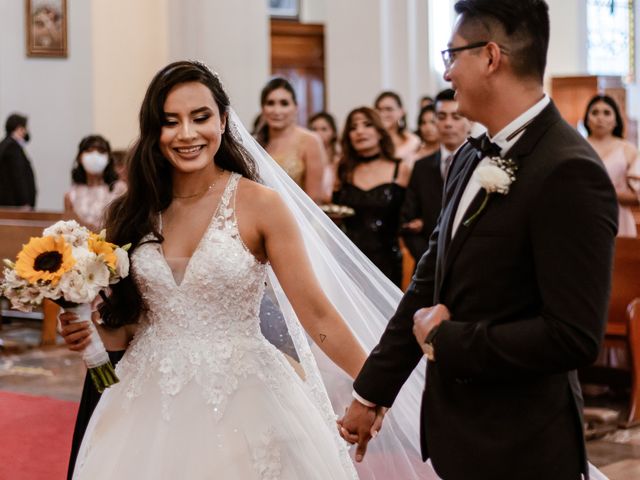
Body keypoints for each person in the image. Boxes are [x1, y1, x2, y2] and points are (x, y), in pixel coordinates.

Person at [60, 60, 438, 480]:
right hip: (145, 397)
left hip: (245, 397)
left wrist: (374, 388)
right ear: (155, 131)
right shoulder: (132, 213)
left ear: (223, 121)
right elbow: (128, 327)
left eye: (200, 117)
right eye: (171, 122)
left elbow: (316, 313)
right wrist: (90, 333)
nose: (187, 134)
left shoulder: (260, 204)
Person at [339, 1, 618, 479]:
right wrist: (372, 393)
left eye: (451, 55)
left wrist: (451, 341)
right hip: (455, 435)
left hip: (522, 446)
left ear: (491, 57)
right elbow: (428, 282)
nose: (446, 74)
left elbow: (575, 336)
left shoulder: (569, 171)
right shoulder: (470, 156)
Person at [332, 107, 411, 287]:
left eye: (367, 125)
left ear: (380, 132)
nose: (360, 131)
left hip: (387, 259)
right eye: (353, 127)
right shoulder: (343, 170)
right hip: (348, 259)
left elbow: (410, 213)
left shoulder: (400, 169)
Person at [401, 88, 471, 263]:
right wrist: (431, 260)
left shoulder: (480, 163)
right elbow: (407, 223)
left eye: (456, 117)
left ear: (469, 121)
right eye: (441, 117)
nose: (447, 124)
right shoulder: (421, 167)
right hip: (428, 265)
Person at [255, 77, 331, 203]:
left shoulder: (310, 141)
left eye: (284, 103)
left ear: (296, 107)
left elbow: (314, 198)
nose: (276, 111)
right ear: (263, 109)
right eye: (270, 103)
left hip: (298, 219)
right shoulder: (257, 142)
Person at [584, 94, 639, 237]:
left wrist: (603, 193)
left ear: (616, 120)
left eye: (607, 113)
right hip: (584, 217)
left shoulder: (628, 149)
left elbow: (637, 195)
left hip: (619, 218)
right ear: (587, 119)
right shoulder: (576, 147)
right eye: (594, 112)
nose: (600, 118)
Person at [64, 135, 126, 231]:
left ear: (109, 158)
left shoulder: (119, 189)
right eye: (89, 151)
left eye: (101, 151)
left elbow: (118, 226)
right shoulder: (72, 193)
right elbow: (68, 229)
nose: (95, 155)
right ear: (80, 157)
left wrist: (79, 221)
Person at [0, 113, 36, 208]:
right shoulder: (12, 147)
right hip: (15, 205)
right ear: (19, 128)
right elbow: (18, 176)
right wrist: (24, 201)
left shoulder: (5, 144)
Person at [374, 91, 421, 164]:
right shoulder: (371, 140)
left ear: (401, 112)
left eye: (389, 109)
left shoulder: (413, 141)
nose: (383, 114)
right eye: (379, 110)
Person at [309, 111, 341, 187]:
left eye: (324, 129)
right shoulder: (306, 158)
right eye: (314, 129)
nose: (318, 133)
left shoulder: (339, 159)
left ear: (333, 132)